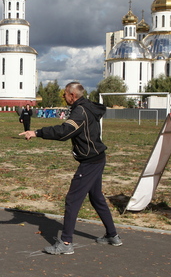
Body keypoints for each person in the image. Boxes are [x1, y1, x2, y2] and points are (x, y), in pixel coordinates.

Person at [20, 81, 122, 255]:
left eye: (65, 94)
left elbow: (64, 132)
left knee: (72, 200)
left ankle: (66, 242)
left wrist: (37, 132)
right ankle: (113, 235)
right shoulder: (87, 106)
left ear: (72, 95)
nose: (63, 97)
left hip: (90, 161)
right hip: (97, 158)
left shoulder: (80, 112)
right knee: (97, 198)